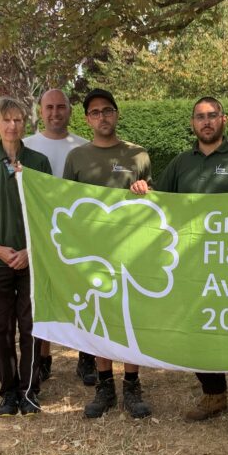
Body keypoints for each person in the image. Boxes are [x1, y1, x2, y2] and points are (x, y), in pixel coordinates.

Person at [132, 96, 228, 439]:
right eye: (200, 117)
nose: (207, 121)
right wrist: (142, 190)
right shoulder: (182, 163)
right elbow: (159, 199)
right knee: (199, 328)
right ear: (192, 123)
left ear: (224, 120)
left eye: (212, 115)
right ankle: (212, 394)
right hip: (193, 266)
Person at [62, 88, 154, 419]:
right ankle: (105, 387)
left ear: (117, 113)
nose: (103, 116)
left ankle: (132, 385)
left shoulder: (137, 155)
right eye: (95, 112)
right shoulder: (77, 158)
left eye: (108, 110)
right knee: (98, 318)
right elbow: (64, 202)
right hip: (91, 252)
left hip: (130, 250)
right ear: (87, 119)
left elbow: (154, 204)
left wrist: (146, 191)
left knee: (130, 316)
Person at [0, 97, 53, 417]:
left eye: (17, 120)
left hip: (31, 259)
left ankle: (30, 391)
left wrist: (31, 251)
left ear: (25, 124)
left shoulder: (39, 162)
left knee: (31, 327)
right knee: (0, 327)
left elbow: (48, 213)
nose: (12, 125)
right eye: (5, 120)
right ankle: (9, 391)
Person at [22, 87, 95, 387]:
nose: (55, 113)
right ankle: (43, 358)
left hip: (76, 237)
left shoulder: (85, 147)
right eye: (49, 107)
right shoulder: (26, 146)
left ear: (70, 110)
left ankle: (87, 358)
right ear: (40, 111)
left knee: (84, 297)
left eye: (60, 107)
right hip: (37, 235)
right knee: (41, 297)